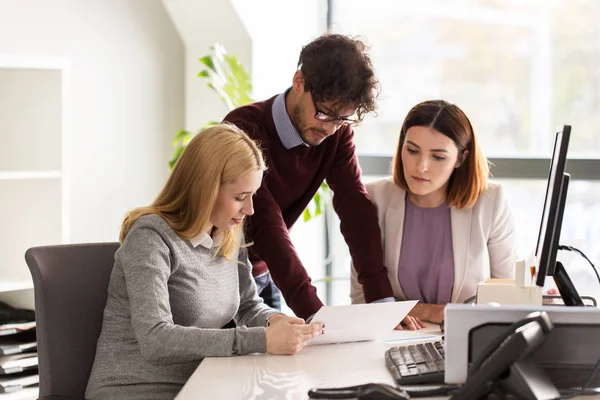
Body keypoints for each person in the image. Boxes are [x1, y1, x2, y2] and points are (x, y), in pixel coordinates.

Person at [85, 124, 324, 400]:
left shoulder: (227, 234)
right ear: (205, 189)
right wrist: (262, 339)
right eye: (239, 198)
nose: (249, 210)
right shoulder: (150, 238)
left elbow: (247, 306)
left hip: (202, 386)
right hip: (134, 390)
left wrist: (279, 322)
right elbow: (156, 339)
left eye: (252, 196)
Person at [223, 33, 395, 319]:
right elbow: (265, 221)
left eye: (343, 119)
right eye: (325, 113)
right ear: (299, 81)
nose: (330, 128)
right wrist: (316, 314)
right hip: (222, 281)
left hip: (265, 277)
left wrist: (382, 303)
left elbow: (355, 208)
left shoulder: (337, 136)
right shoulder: (244, 128)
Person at [350, 100, 518, 330]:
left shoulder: (491, 202)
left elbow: (508, 296)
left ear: (461, 158)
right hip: (396, 340)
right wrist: (428, 311)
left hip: (467, 337)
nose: (421, 167)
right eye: (412, 151)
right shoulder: (375, 199)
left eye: (438, 157)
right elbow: (361, 299)